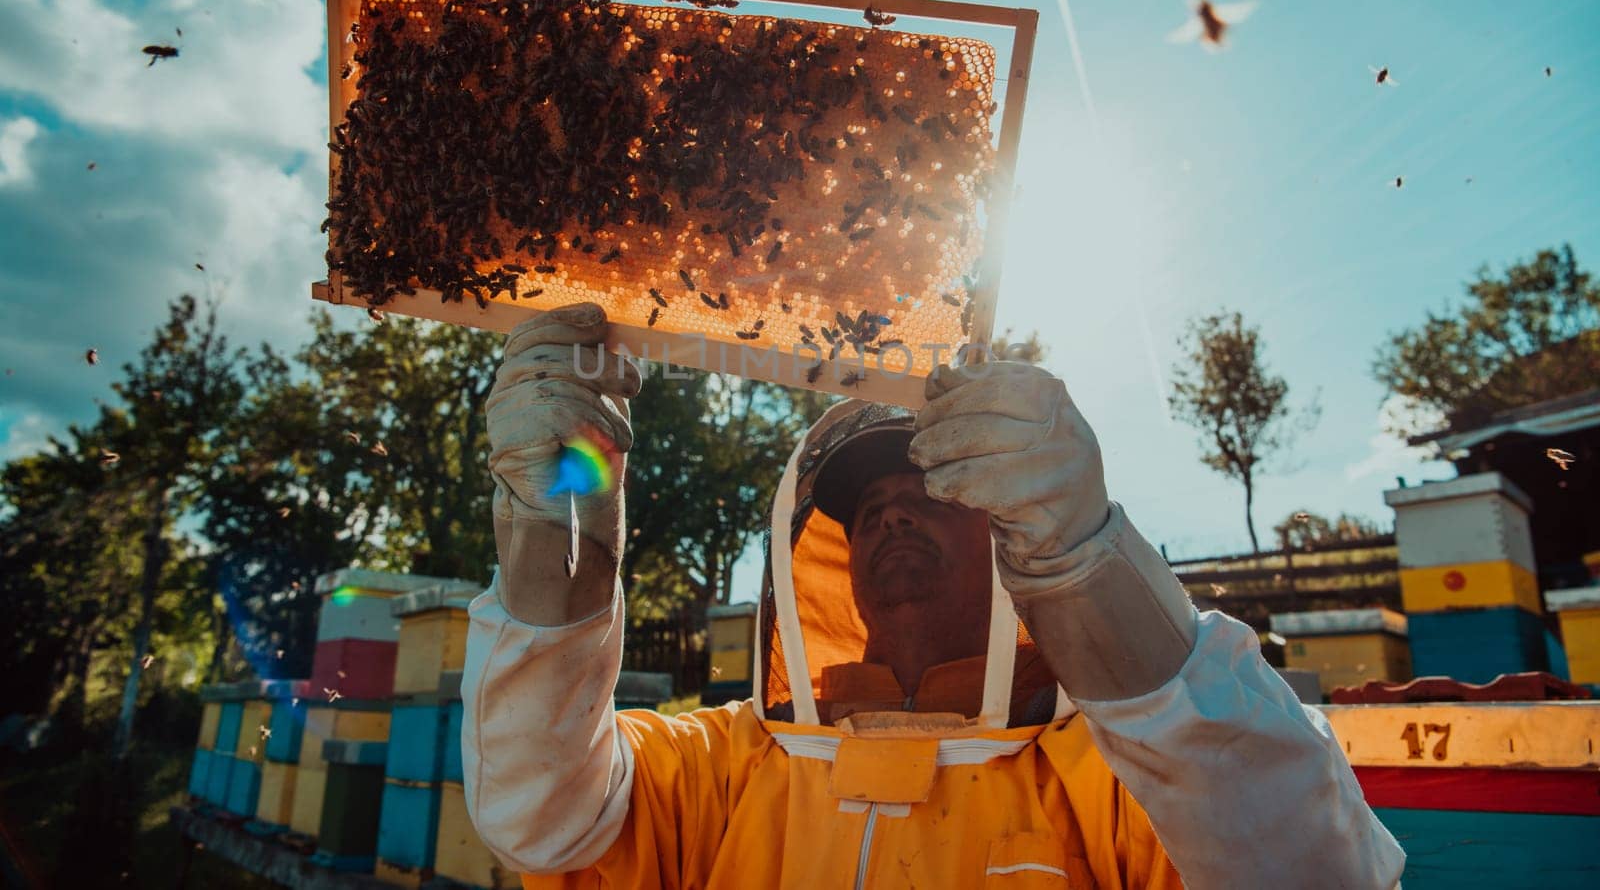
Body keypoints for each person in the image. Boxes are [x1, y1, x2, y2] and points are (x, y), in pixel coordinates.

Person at [464, 303, 1404, 888]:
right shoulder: (724, 764)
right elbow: (538, 814)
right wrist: (560, 528)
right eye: (869, 505)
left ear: (1001, 531)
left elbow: (1315, 870)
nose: (892, 518)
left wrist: (1087, 556)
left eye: (927, 494)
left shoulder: (1113, 782)